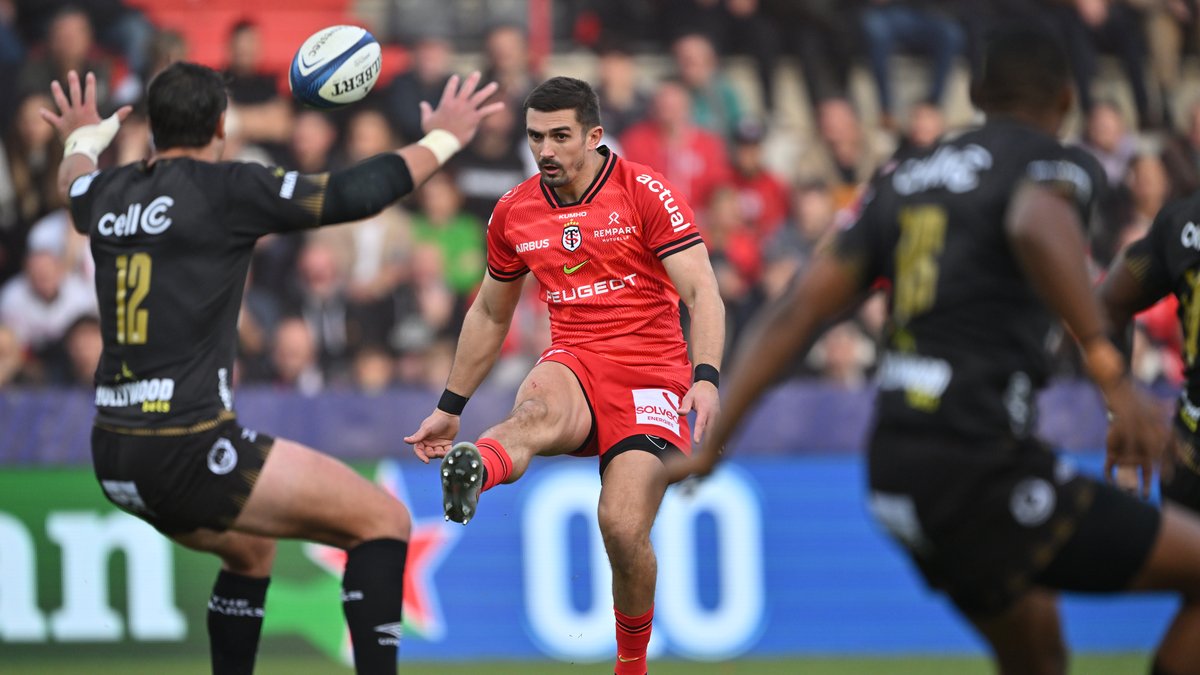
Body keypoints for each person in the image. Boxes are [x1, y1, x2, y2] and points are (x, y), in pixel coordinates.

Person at [670, 28, 1200, 675]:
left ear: (975, 94)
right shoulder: (1058, 165)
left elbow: (798, 309)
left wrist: (713, 438)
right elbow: (1035, 221)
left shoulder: (907, 176)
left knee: (1038, 651)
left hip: (894, 469)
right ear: (1066, 100)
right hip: (979, 465)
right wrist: (1110, 370)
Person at [41, 63, 502, 674]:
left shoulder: (109, 193)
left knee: (252, 551)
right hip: (187, 444)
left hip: (116, 450)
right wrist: (445, 137)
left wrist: (82, 138)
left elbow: (73, 182)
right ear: (221, 127)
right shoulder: (225, 188)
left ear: (153, 129)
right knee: (383, 521)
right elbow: (354, 194)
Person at [404, 76, 724, 675]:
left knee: (621, 527)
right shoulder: (514, 210)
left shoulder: (644, 191)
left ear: (594, 136)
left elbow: (703, 290)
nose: (545, 150)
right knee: (534, 414)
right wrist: (450, 404)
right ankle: (474, 468)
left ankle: (631, 666)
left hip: (653, 375)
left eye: (559, 136)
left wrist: (705, 376)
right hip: (575, 360)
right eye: (534, 137)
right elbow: (490, 312)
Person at [1100, 169, 1200, 516]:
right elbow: (1109, 304)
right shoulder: (1183, 222)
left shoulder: (1184, 222)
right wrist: (1123, 407)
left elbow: (1109, 303)